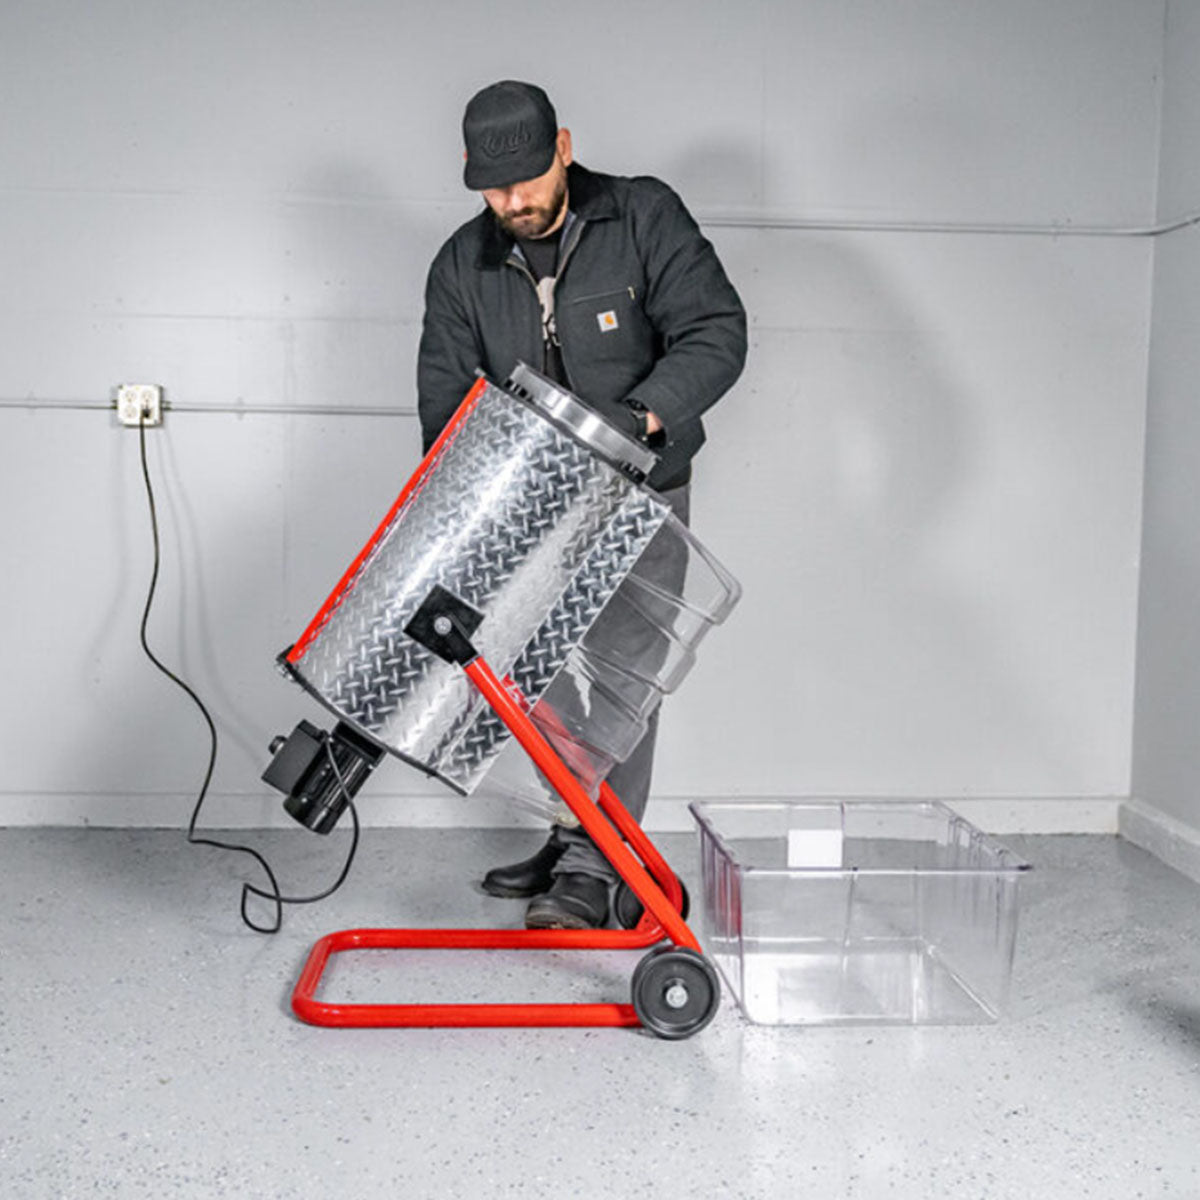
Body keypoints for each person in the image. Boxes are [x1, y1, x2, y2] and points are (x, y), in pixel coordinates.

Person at [417, 80, 747, 930]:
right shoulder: (462, 263)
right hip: (528, 505)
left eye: (526, 180)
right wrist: (462, 508)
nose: (512, 203)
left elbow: (716, 332)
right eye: (493, 189)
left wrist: (636, 420)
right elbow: (445, 400)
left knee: (625, 678)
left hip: (640, 494)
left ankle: (598, 861)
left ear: (563, 147)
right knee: (525, 674)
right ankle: (580, 829)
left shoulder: (641, 218)